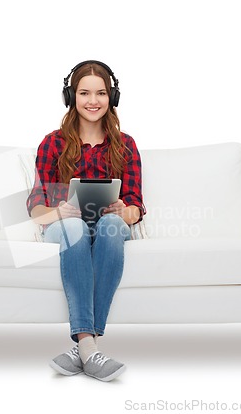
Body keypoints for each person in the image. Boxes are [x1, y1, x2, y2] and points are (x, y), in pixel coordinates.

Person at [26, 60, 145, 382]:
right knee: (76, 227)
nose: (93, 101)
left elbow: (136, 207)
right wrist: (58, 212)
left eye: (101, 93)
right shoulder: (52, 143)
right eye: (84, 93)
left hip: (110, 227)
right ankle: (90, 345)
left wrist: (124, 209)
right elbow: (36, 206)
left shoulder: (126, 145)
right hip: (64, 227)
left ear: (112, 97)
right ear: (71, 97)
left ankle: (83, 347)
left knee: (110, 226)